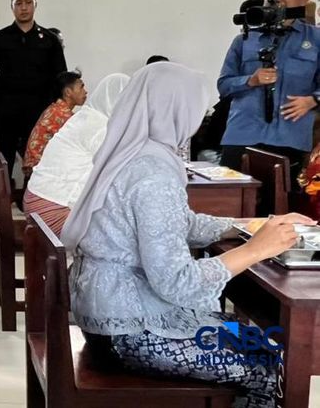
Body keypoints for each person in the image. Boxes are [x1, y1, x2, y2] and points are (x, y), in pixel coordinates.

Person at [62, 62, 311, 408]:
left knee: (255, 337)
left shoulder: (135, 153)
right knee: (269, 362)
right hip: (131, 333)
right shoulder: (152, 174)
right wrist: (254, 250)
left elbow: (178, 223)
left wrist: (246, 226)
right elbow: (177, 282)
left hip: (109, 315)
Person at [218, 0, 320, 179]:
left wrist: (313, 100)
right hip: (241, 136)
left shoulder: (316, 40)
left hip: (289, 138)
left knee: (280, 207)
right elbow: (224, 85)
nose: (278, 0)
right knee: (230, 204)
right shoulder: (245, 39)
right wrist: (250, 80)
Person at [0, 0, 68, 179]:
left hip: (40, 111)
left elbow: (61, 77)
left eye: (28, 2)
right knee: (4, 161)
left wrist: (59, 112)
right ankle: (3, 199)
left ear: (35, 5)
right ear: (12, 7)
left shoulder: (50, 40)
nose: (24, 7)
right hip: (6, 110)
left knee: (38, 160)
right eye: (18, 3)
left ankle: (31, 200)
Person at [23, 73, 129, 235]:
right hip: (52, 209)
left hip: (39, 200)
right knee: (121, 232)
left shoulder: (86, 116)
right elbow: (119, 163)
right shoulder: (98, 126)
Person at [21, 70, 87, 175]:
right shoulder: (61, 115)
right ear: (68, 92)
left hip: (38, 166)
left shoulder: (55, 109)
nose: (85, 91)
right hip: (40, 170)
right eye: (81, 87)